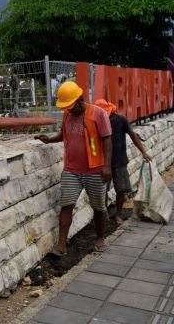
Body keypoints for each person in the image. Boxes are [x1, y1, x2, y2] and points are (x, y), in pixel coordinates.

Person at [35, 81, 112, 256]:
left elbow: (107, 139)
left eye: (71, 105)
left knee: (99, 207)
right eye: (66, 107)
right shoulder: (67, 114)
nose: (69, 109)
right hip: (72, 170)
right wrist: (49, 139)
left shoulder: (97, 113)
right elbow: (63, 135)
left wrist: (107, 166)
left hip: (95, 170)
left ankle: (100, 238)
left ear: (79, 99)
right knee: (66, 205)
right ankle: (61, 245)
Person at [93, 99, 152, 224]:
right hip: (102, 164)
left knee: (120, 190)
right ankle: (103, 215)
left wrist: (143, 152)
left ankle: (118, 214)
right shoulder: (96, 122)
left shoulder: (121, 120)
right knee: (102, 190)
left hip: (119, 161)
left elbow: (133, 135)